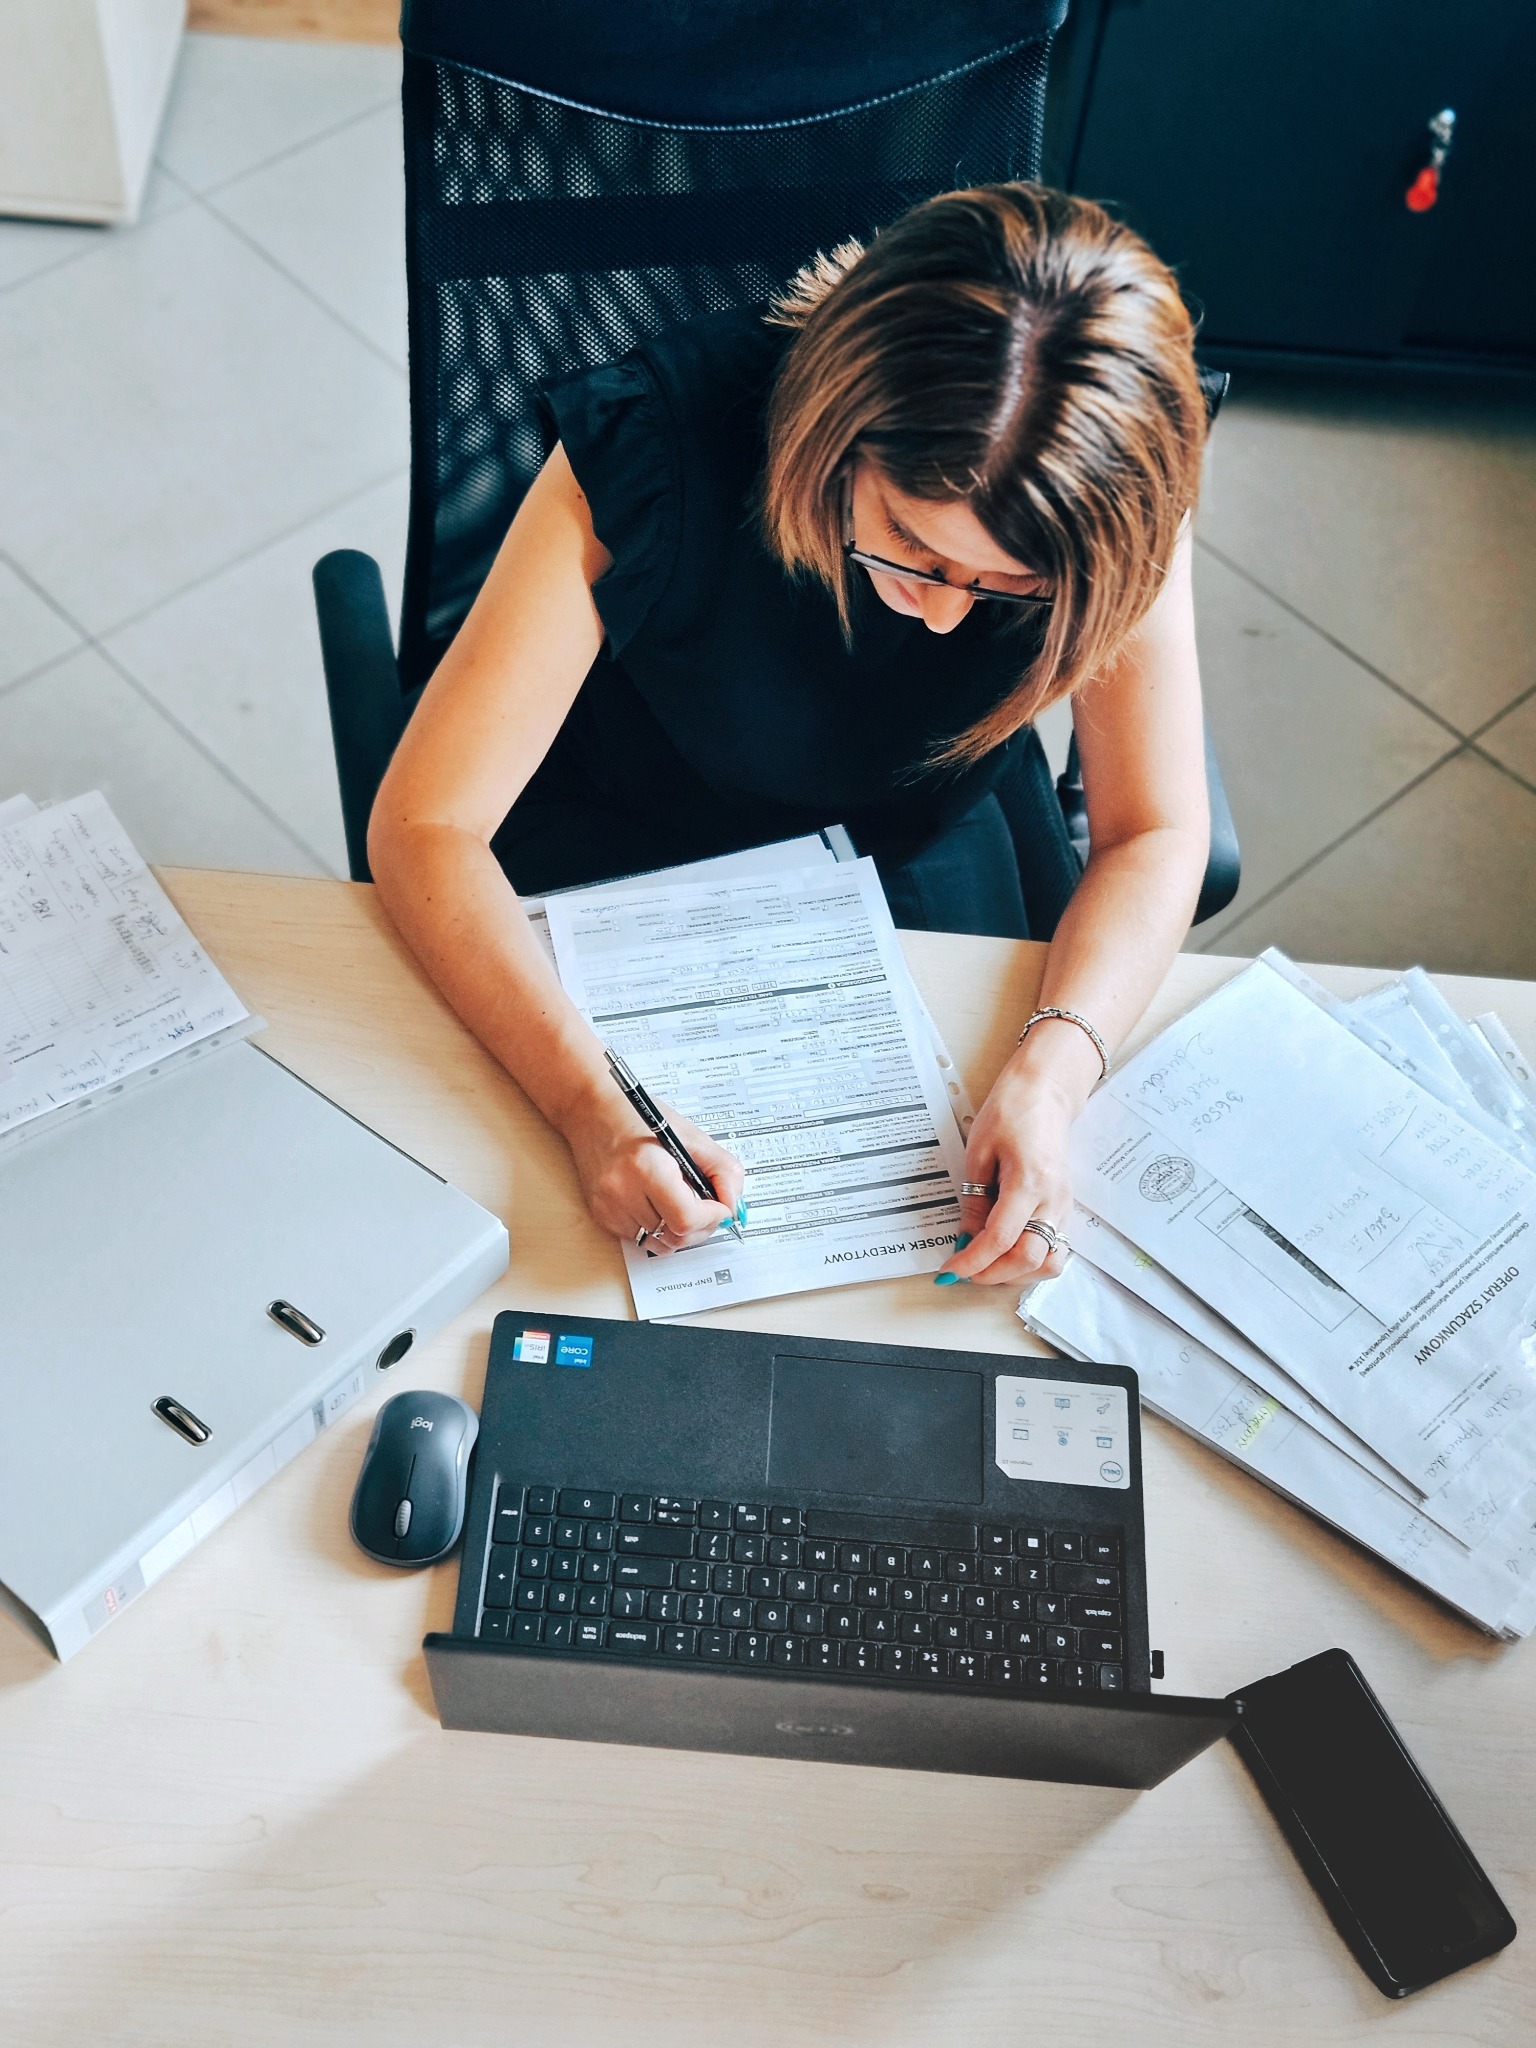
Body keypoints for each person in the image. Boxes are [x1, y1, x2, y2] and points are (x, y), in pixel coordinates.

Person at [369, 182, 1212, 1292]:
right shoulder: (657, 441)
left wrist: (1053, 1074)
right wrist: (590, 1109)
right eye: (912, 544)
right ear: (835, 438)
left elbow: (1153, 827)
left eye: (1013, 584)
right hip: (627, 821)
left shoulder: (1104, 492)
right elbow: (426, 824)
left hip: (921, 823)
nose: (953, 613)